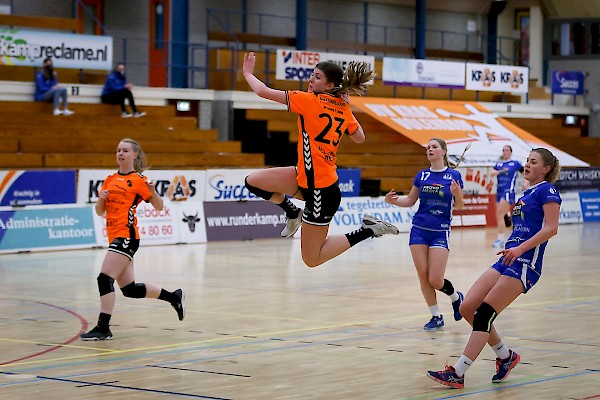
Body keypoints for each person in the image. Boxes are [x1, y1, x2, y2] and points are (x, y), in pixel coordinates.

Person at [242, 52, 399, 268]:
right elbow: (360, 137)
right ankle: (292, 212)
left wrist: (248, 74)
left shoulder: (309, 100)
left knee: (312, 259)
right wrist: (347, 106)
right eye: (312, 75)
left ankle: (368, 230)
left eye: (317, 77)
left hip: (321, 191)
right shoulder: (341, 107)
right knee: (253, 182)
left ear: (329, 86)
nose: (310, 80)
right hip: (306, 177)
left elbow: (262, 91)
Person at [427, 148, 561, 389]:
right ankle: (505, 355)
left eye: (533, 162)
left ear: (546, 169)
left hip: (525, 263)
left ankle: (458, 372)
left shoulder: (547, 190)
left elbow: (551, 228)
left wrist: (520, 249)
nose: (527, 165)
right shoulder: (526, 192)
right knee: (467, 307)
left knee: (484, 315)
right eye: (527, 161)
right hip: (508, 258)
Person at [81, 138, 184, 340]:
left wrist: (153, 191)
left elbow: (159, 207)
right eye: (118, 150)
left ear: (135, 155)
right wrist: (101, 199)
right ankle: (174, 297)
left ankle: (103, 328)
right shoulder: (109, 179)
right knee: (129, 289)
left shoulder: (139, 180)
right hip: (113, 235)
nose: (120, 153)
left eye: (125, 150)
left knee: (104, 278)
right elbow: (100, 211)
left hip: (126, 236)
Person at [384, 138, 465, 330]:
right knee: (423, 276)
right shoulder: (422, 175)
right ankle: (436, 316)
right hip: (419, 229)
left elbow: (460, 206)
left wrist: (457, 193)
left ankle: (456, 297)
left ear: (443, 151)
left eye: (434, 147)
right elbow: (410, 201)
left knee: (435, 279)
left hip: (440, 232)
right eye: (428, 147)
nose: (430, 149)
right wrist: (393, 201)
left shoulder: (454, 176)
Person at [490, 145, 524, 248]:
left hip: (508, 191)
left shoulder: (515, 163)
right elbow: (492, 173)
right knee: (503, 216)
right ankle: (517, 235)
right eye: (503, 150)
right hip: (499, 191)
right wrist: (494, 173)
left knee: (500, 214)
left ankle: (500, 240)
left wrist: (526, 183)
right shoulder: (499, 163)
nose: (505, 152)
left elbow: (525, 173)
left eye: (507, 150)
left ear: (511, 152)